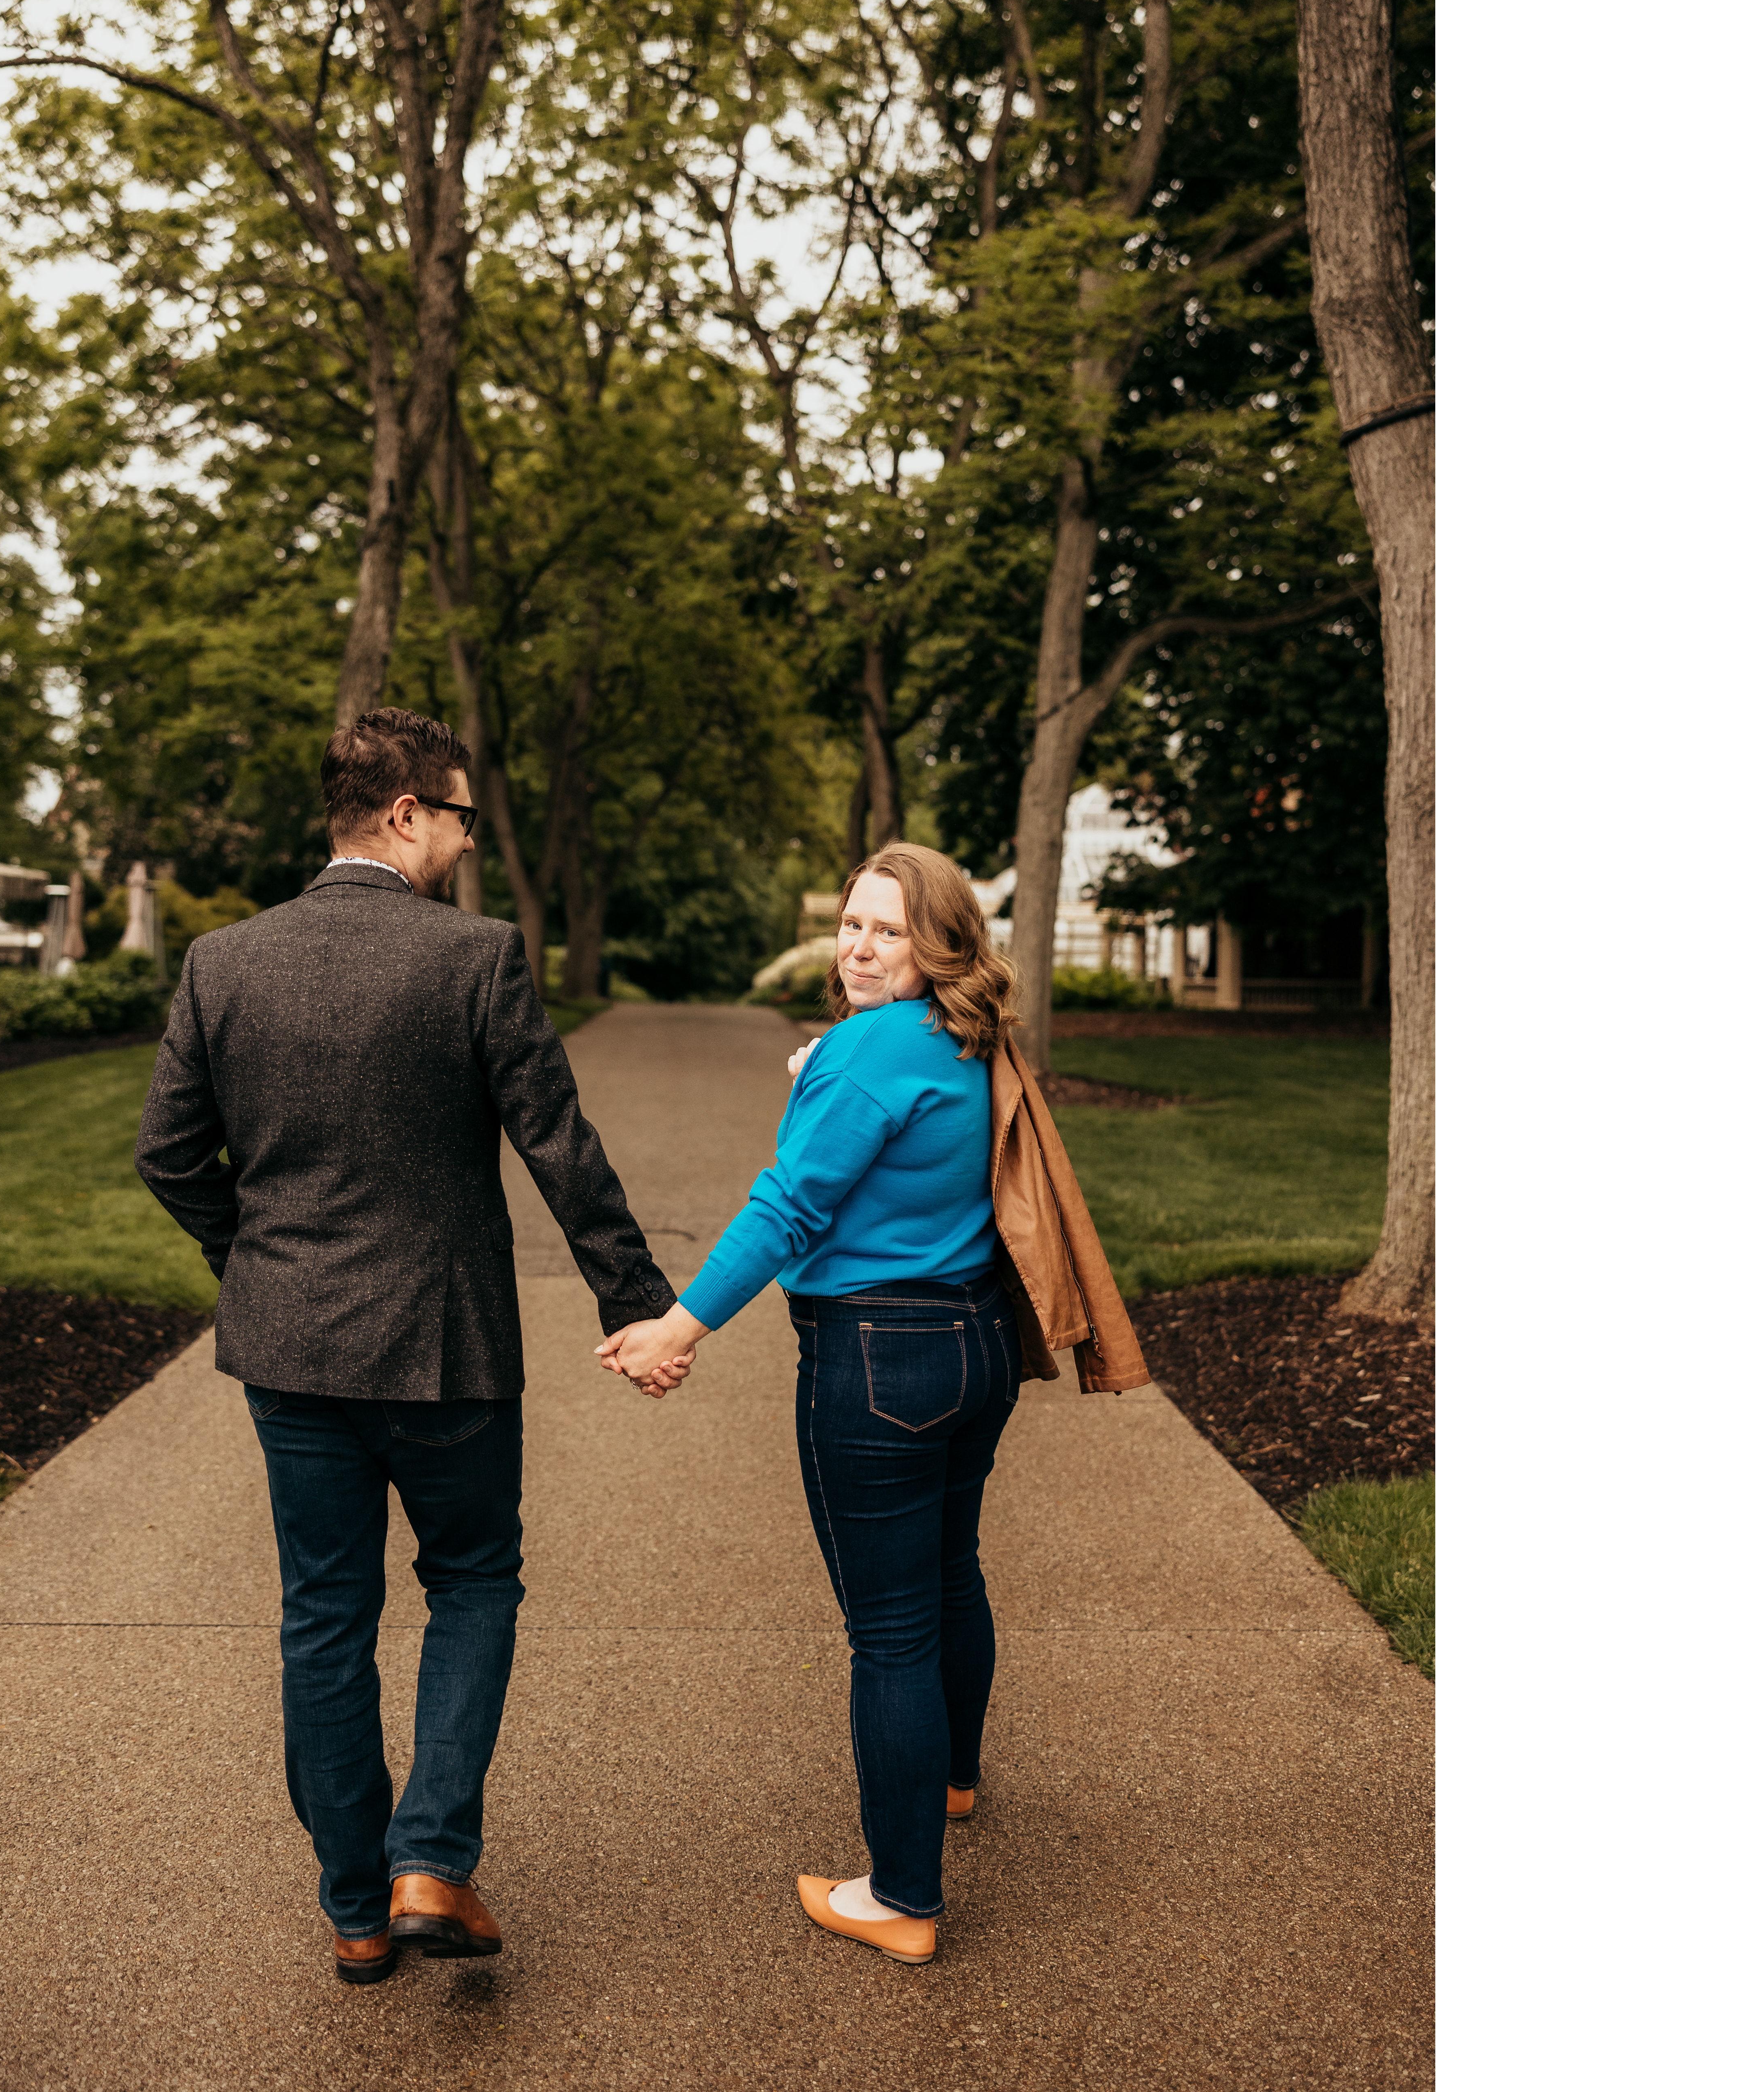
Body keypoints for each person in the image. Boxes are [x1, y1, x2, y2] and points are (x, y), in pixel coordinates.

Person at [134, 707, 679, 1988]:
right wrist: (636, 1304)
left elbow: (166, 1156)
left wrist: (256, 1259)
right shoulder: (477, 958)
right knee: (475, 1581)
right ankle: (431, 1857)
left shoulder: (225, 964)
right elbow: (559, 1143)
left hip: (291, 1352)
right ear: (403, 816)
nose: (468, 841)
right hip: (449, 1353)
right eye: (461, 817)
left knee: (326, 1617)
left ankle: (357, 1910)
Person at [598, 841, 1145, 1967]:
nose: (856, 946)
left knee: (889, 1633)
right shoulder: (963, 1038)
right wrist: (822, 1080)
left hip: (878, 1361)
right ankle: (950, 1778)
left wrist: (677, 1329)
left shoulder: (863, 1054)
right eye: (851, 924)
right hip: (975, 1346)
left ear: (939, 944)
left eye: (886, 931)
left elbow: (786, 1211)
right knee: (951, 1573)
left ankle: (901, 1896)